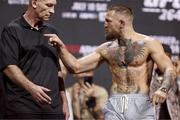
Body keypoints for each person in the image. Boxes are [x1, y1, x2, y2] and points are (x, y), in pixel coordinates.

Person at [46, 4, 176, 120]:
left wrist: (163, 89)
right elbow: (76, 67)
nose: (105, 25)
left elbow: (169, 69)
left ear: (121, 23)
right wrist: (61, 48)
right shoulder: (106, 49)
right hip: (115, 103)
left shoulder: (149, 44)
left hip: (140, 105)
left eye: (108, 21)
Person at [0, 0, 69, 119]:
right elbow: (9, 67)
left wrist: (64, 100)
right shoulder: (12, 30)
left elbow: (57, 70)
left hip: (52, 108)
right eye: (49, 5)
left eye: (54, 6)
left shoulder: (52, 32)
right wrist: (32, 88)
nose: (52, 11)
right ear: (35, 3)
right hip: (23, 106)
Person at [150, 44, 180, 120]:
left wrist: (177, 74)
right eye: (162, 59)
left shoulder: (174, 75)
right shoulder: (150, 73)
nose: (164, 62)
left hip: (173, 116)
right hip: (155, 116)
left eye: (168, 58)